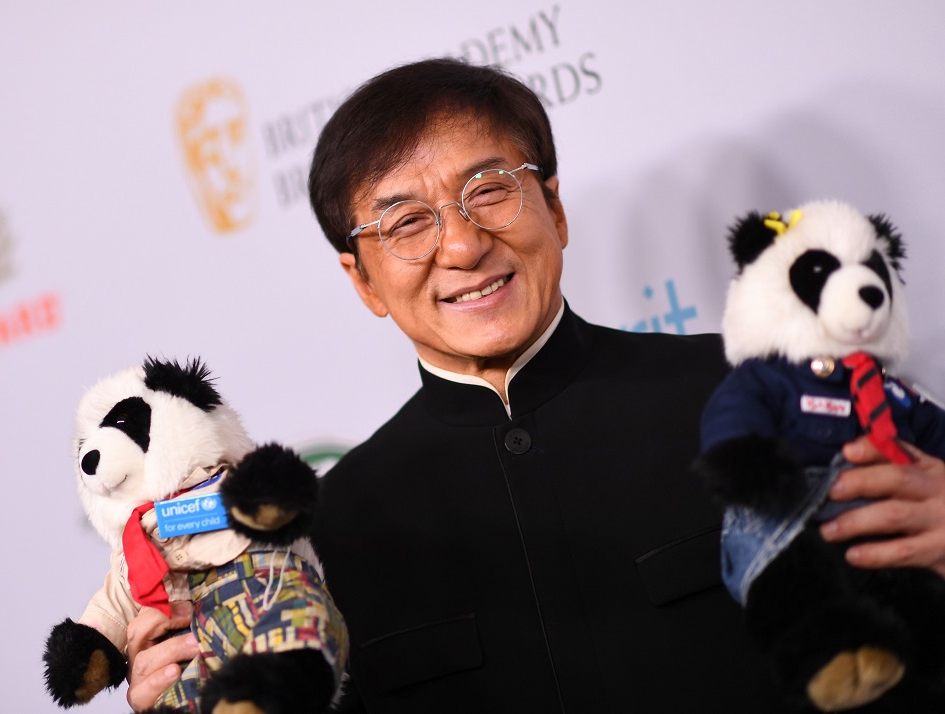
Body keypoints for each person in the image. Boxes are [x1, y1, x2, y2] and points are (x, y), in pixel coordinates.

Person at [125, 58, 945, 712]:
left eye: (488, 190)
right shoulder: (324, 536)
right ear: (362, 280)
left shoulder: (757, 395)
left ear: (553, 208)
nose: (461, 246)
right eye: (406, 222)